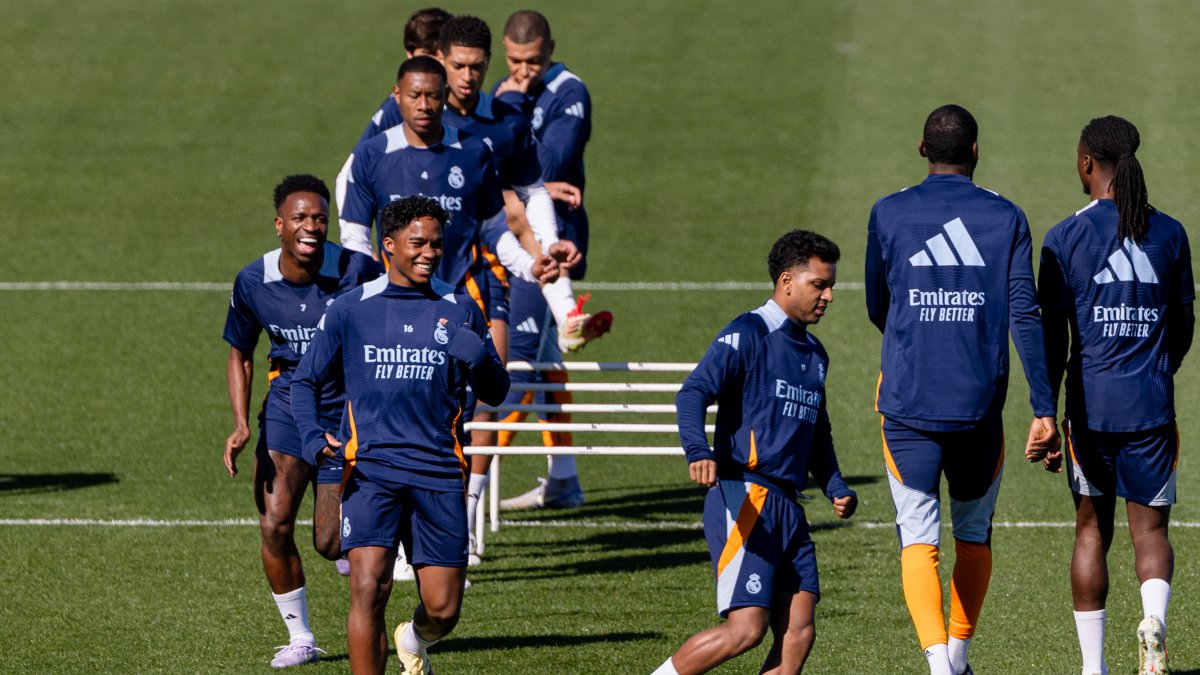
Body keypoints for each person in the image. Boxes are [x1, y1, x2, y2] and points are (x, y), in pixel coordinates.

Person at [864, 104, 1059, 675]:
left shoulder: (890, 212)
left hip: (907, 407)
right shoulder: (1007, 218)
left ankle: (937, 667)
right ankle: (959, 656)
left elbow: (880, 304)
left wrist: (915, 339)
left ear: (922, 150)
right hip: (980, 412)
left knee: (917, 539)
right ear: (975, 151)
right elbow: (1026, 316)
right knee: (974, 536)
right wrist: (1044, 409)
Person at [291, 196, 510, 675]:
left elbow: (495, 392)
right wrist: (310, 437)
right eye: (417, 243)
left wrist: (479, 355)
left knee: (444, 609)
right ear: (388, 245)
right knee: (369, 587)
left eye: (435, 243)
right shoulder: (351, 309)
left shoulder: (460, 307)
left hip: (438, 472)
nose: (429, 252)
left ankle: (413, 638)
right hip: (371, 470)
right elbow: (304, 380)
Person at [653, 230, 857, 675]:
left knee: (799, 632)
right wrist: (696, 450)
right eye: (819, 285)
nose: (829, 296)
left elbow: (816, 429)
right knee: (747, 629)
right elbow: (693, 393)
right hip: (745, 495)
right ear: (787, 281)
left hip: (788, 506)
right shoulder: (750, 331)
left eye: (831, 286)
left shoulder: (816, 353)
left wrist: (835, 483)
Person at [1039, 115, 1193, 675]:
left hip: (1090, 409)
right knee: (1150, 531)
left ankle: (1092, 667)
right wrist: (1159, 368)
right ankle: (1153, 622)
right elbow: (1183, 325)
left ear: (1087, 162)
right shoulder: (1170, 233)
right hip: (1151, 406)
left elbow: (1053, 341)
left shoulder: (1065, 237)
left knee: (1090, 530)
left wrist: (1047, 412)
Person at [222, 174, 383, 668]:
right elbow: (240, 352)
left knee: (329, 539)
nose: (311, 226)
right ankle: (301, 638)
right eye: (299, 218)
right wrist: (242, 423)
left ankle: (351, 551)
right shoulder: (253, 281)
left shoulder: (359, 270)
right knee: (273, 523)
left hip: (345, 409)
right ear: (279, 225)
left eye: (319, 217)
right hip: (290, 405)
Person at [492, 9, 604, 511]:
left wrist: (513, 172)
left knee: (516, 364)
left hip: (552, 246)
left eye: (532, 61)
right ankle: (565, 478)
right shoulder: (504, 87)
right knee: (543, 362)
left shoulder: (569, 93)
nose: (523, 71)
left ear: (550, 50)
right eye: (515, 61)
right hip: (514, 242)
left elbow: (550, 164)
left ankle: (468, 492)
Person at [357, 7, 450, 143]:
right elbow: (361, 161)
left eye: (442, 54)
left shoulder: (466, 98)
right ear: (409, 54)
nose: (438, 61)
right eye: (428, 54)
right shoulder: (395, 110)